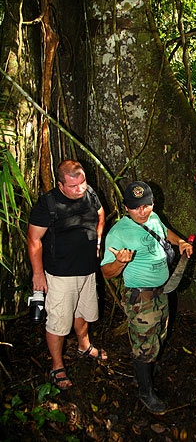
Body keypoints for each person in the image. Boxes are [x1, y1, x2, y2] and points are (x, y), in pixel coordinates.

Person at [101, 181, 193, 414]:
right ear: (125, 207)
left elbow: (164, 231)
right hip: (140, 297)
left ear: (152, 203)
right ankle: (145, 391)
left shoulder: (153, 218)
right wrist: (120, 262)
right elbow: (106, 272)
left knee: (159, 333)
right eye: (135, 207)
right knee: (143, 345)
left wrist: (180, 241)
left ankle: (148, 367)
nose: (142, 212)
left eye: (146, 205)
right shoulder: (119, 232)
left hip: (162, 291)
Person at [27, 159, 106, 390]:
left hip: (88, 270)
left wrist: (98, 241)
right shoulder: (48, 203)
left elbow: (101, 215)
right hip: (60, 274)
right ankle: (57, 365)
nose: (79, 189)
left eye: (82, 183)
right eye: (73, 186)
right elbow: (34, 239)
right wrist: (38, 274)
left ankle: (84, 345)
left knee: (84, 313)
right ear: (61, 184)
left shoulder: (89, 193)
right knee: (59, 322)